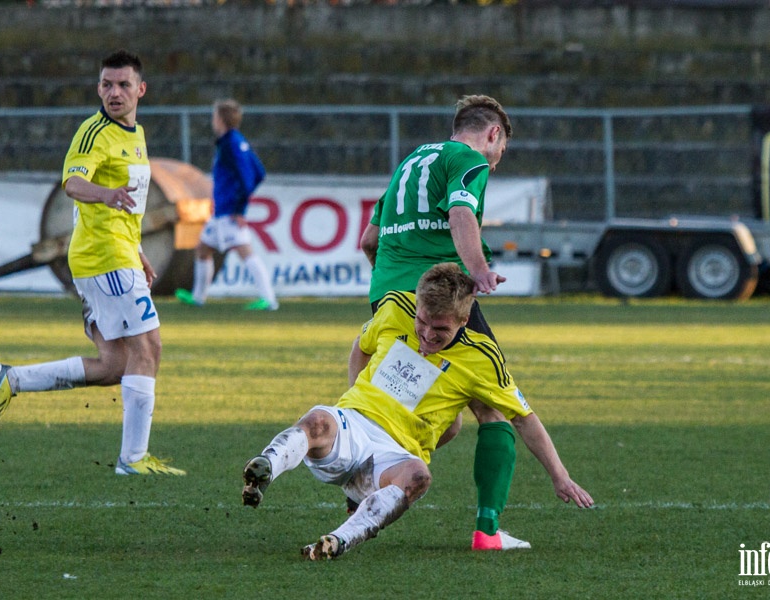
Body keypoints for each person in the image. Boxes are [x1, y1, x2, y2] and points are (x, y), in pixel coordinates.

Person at [242, 263, 593, 560]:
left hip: (396, 454)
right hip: (355, 425)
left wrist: (559, 476)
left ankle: (339, 540)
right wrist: (350, 401)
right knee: (318, 420)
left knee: (418, 477)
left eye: (440, 329)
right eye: (422, 322)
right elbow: (360, 347)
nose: (426, 335)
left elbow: (523, 418)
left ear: (465, 318)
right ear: (417, 304)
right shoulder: (395, 307)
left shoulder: (482, 357)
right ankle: (265, 468)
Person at [0, 49, 185, 476]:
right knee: (150, 347)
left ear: (140, 90)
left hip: (117, 252)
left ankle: (10, 380)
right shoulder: (94, 133)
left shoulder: (136, 135)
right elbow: (73, 183)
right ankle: (133, 461)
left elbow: (128, 208)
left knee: (114, 365)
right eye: (107, 85)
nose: (114, 92)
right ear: (98, 89)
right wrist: (105, 194)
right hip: (102, 257)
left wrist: (139, 251)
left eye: (123, 84)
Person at [356, 94, 521, 550]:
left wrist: (389, 288)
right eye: (502, 149)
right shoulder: (469, 159)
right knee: (493, 408)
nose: (497, 159)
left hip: (389, 298)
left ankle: (368, 478)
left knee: (422, 416)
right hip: (443, 297)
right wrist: (477, 270)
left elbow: (369, 239)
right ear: (493, 134)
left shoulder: (411, 162)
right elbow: (461, 213)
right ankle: (488, 531)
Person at [175, 99, 278, 311]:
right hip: (222, 211)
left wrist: (239, 209)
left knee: (245, 252)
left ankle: (269, 300)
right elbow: (259, 172)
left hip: (230, 212)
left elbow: (249, 178)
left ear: (220, 120)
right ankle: (198, 298)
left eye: (214, 116)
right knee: (203, 249)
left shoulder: (231, 144)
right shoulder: (235, 141)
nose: (213, 121)